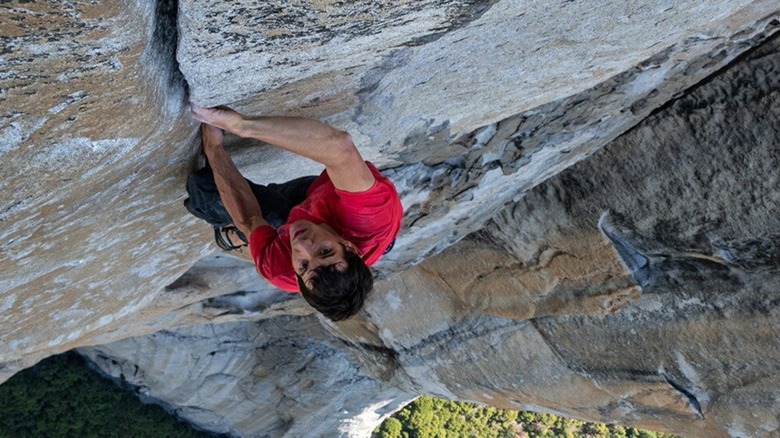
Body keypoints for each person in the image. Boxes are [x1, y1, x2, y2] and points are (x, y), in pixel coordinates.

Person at [184, 104, 403, 321]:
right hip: (329, 205)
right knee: (287, 207)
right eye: (325, 251)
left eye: (304, 265)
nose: (303, 245)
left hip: (314, 215)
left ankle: (237, 237)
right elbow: (340, 148)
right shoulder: (368, 218)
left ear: (297, 278)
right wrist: (241, 125)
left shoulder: (281, 270)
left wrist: (214, 147)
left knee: (204, 189)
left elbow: (249, 220)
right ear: (349, 247)